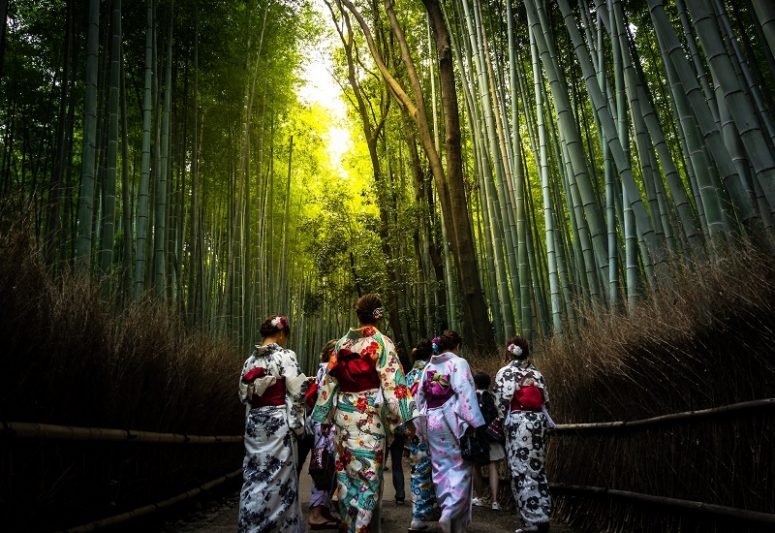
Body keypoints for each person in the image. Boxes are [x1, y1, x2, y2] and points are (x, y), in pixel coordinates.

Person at [312, 293, 419, 533]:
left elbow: (329, 384)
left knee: (347, 478)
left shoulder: (341, 344)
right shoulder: (382, 342)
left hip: (343, 417)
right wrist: (408, 419)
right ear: (379, 315)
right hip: (369, 417)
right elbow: (394, 385)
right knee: (368, 478)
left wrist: (324, 418)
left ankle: (353, 526)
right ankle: (359, 529)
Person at [237, 314, 308, 533]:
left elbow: (244, 396)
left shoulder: (250, 360)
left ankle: (251, 523)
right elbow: (298, 393)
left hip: (255, 424)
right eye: (285, 335)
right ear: (280, 333)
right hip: (277, 424)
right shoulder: (286, 356)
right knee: (280, 478)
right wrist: (298, 425)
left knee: (255, 474)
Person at [414, 330, 485, 533]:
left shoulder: (430, 366)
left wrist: (420, 426)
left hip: (431, 420)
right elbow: (464, 390)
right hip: (451, 419)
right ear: (457, 346)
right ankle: (450, 513)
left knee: (440, 468)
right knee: (460, 468)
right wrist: (473, 422)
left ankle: (449, 513)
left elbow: (419, 396)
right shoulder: (458, 362)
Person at [493, 336, 553, 533]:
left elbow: (501, 403)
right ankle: (543, 515)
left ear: (509, 351)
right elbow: (546, 401)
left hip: (519, 424)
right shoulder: (537, 373)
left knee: (521, 471)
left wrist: (502, 422)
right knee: (537, 470)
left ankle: (531, 520)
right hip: (539, 423)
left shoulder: (505, 373)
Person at [405, 339, 438, 531]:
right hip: (433, 427)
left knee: (418, 471)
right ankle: (420, 517)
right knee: (438, 471)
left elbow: (402, 404)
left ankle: (423, 513)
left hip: (413, 429)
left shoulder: (408, 376)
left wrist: (406, 428)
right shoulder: (432, 374)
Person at [307, 339, 340, 530]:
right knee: (326, 466)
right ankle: (317, 513)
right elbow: (329, 398)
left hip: (321, 423)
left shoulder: (322, 370)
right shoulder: (329, 370)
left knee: (324, 466)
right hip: (327, 423)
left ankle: (323, 511)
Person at [471, 372, 506, 511]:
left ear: (476, 383)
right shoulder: (492, 397)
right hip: (492, 437)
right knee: (493, 467)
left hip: (477, 437)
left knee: (475, 466)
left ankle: (479, 497)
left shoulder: (472, 398)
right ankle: (495, 501)